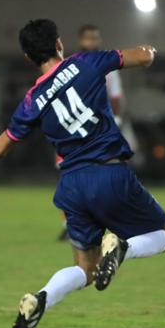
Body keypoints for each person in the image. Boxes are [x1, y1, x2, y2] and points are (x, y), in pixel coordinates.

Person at [0, 19, 165, 328]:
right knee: (164, 233)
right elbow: (143, 56)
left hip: (71, 186)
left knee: (86, 269)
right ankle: (123, 248)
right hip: (108, 172)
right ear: (59, 43)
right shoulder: (86, 62)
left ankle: (40, 299)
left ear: (28, 57)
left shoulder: (32, 100)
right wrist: (150, 50)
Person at [56, 23, 143, 241]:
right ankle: (70, 224)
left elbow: (116, 97)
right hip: (76, 128)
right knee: (68, 174)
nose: (92, 42)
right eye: (88, 38)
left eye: (95, 38)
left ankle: (115, 221)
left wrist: (117, 120)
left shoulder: (107, 65)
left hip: (102, 128)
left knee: (109, 173)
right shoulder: (69, 65)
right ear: (80, 40)